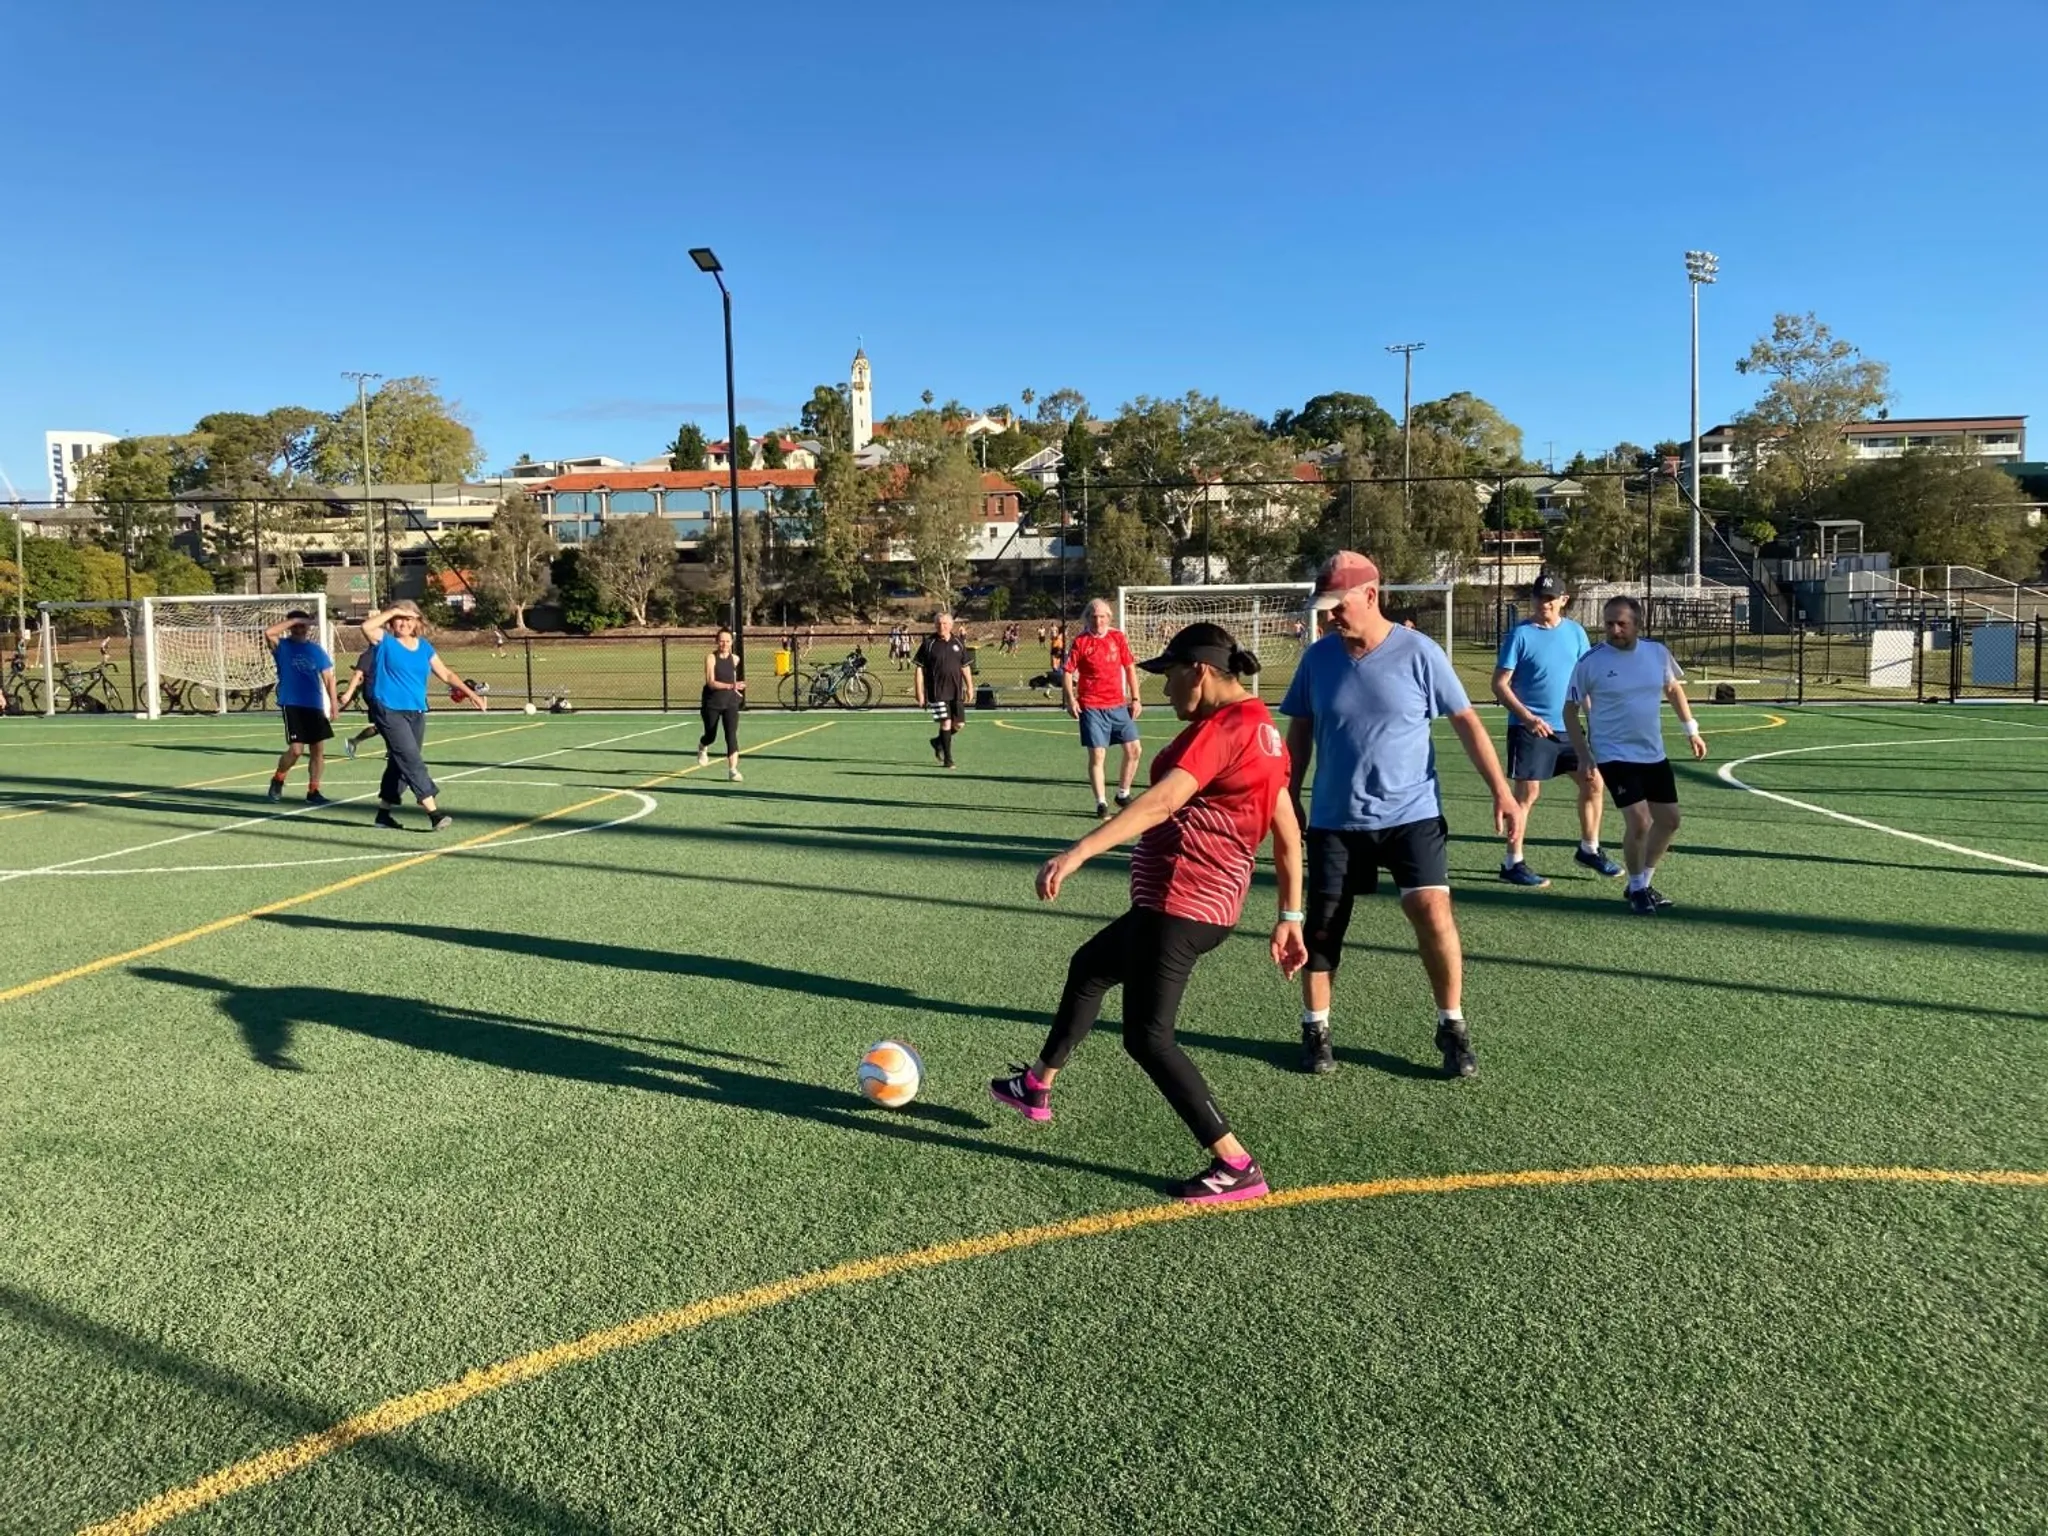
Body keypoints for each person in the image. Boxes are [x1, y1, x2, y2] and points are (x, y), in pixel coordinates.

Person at [990, 622, 1306, 1203]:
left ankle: (1235, 1164)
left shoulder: (1223, 728)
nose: (1162, 690)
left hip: (1183, 905)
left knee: (1148, 1038)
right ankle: (1036, 1085)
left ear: (1201, 671)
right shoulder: (1264, 731)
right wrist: (1290, 915)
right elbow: (1287, 832)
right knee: (1090, 967)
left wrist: (1079, 850)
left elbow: (1162, 801)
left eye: (1169, 676)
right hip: (1192, 907)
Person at [1280, 551, 1521, 1079]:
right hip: (1335, 818)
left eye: (1337, 606)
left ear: (1370, 595)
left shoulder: (1420, 653)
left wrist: (1501, 791)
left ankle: (1452, 1025)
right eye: (1324, 609)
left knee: (1432, 909)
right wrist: (1288, 792)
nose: (1329, 618)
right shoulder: (1317, 660)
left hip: (1412, 812)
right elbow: (1298, 729)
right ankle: (1315, 1028)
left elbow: (1465, 721)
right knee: (1323, 929)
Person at [1563, 595, 1707, 915]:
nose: (1614, 629)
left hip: (1652, 752)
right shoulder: (1591, 662)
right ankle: (1638, 889)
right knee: (1640, 821)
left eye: (1622, 623)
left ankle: (1642, 882)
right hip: (1613, 753)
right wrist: (1584, 754)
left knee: (1670, 821)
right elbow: (1570, 711)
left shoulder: (1657, 653)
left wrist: (1691, 730)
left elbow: (1673, 689)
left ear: (1638, 624)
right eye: (1609, 623)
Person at [1491, 572, 1620, 887]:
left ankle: (1589, 849)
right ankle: (1513, 862)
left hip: (1568, 728)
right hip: (1530, 729)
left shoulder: (1576, 634)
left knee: (1593, 782)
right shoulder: (1519, 635)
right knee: (1528, 793)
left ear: (1564, 601)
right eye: (1538, 597)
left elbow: (1584, 683)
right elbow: (1499, 684)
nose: (1543, 603)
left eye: (1550, 598)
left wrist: (1596, 719)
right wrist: (1527, 717)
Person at [361, 600, 486, 832]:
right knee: (411, 760)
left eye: (409, 619)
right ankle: (433, 813)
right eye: (399, 618)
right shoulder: (384, 641)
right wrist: (395, 610)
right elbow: (367, 627)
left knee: (400, 763)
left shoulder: (424, 647)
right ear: (391, 621)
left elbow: (446, 673)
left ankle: (383, 814)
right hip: (388, 710)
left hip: (416, 711)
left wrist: (471, 693)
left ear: (417, 622)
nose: (404, 623)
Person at [1063, 598, 1145, 819]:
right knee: (1098, 755)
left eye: (1103, 617)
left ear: (1109, 618)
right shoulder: (1081, 642)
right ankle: (1101, 802)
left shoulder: (1117, 637)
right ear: (1088, 618)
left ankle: (1123, 793)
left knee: (1134, 749)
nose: (1098, 621)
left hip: (1118, 705)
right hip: (1091, 706)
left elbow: (1129, 667)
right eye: (1094, 617)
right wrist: (1071, 699)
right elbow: (1068, 671)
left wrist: (1135, 698)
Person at [262, 610, 340, 806]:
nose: (298, 629)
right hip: (292, 703)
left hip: (313, 704)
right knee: (296, 750)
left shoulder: (315, 650)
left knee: (317, 750)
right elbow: (269, 633)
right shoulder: (282, 646)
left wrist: (334, 703)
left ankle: (313, 790)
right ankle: (278, 778)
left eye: (302, 625)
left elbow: (329, 678)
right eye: (294, 625)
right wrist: (294, 619)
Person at [912, 612, 975, 770]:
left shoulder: (958, 643)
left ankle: (938, 742)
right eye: (939, 624)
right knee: (945, 723)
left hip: (956, 691)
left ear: (951, 625)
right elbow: (919, 669)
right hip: (937, 692)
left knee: (959, 724)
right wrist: (919, 692)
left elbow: (965, 667)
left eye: (945, 624)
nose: (942, 626)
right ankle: (948, 759)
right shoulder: (929, 643)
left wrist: (970, 687)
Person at [695, 626, 747, 780]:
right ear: (717, 642)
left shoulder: (735, 659)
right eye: (721, 641)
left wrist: (736, 688)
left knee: (731, 735)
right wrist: (731, 686)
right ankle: (702, 746)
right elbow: (711, 682)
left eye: (727, 641)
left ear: (732, 642)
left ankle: (733, 770)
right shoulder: (711, 658)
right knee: (711, 735)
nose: (724, 644)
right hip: (712, 702)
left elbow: (733, 678)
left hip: (730, 703)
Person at [334, 645, 384, 760]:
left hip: (384, 694)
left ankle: (354, 741)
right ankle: (354, 741)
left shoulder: (386, 652)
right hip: (374, 695)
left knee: (382, 725)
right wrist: (349, 693)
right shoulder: (368, 655)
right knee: (388, 723)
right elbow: (358, 675)